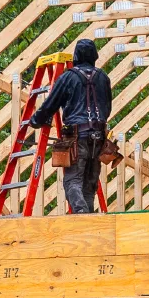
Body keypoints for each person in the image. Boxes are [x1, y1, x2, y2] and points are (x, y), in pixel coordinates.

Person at [23, 38, 113, 214]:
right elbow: (107, 108)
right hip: (99, 136)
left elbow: (51, 104)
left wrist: (35, 120)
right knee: (89, 182)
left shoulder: (68, 77)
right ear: (94, 56)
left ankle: (81, 214)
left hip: (78, 136)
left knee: (73, 181)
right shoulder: (104, 77)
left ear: (77, 56)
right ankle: (88, 219)